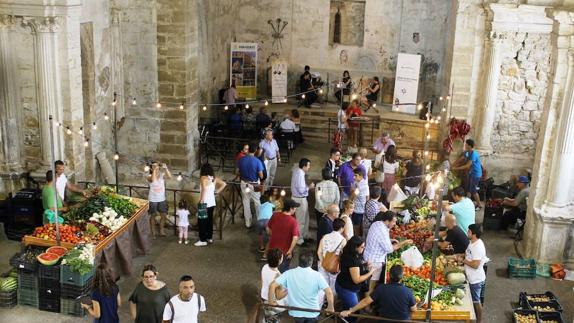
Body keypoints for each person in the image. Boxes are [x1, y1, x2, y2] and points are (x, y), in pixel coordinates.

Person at [268, 252, 335, 323]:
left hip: (296, 313)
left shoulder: (289, 273)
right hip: (312, 312)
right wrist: (330, 307)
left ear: (299, 261)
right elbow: (329, 292)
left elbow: (272, 285)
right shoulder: (317, 275)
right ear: (311, 263)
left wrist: (271, 301)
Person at [341, 265, 416, 322]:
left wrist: (350, 310)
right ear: (401, 278)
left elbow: (365, 302)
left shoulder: (381, 288)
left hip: (384, 321)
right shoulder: (408, 291)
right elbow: (414, 309)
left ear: (389, 276)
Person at [363, 211, 412, 295]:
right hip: (375, 261)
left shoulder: (377, 224)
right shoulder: (382, 230)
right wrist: (404, 242)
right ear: (387, 221)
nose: (395, 223)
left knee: (368, 281)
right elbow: (390, 249)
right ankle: (367, 304)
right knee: (371, 285)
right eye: (393, 221)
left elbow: (378, 239)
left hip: (369, 256)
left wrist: (390, 240)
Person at [335, 236, 375, 323]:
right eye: (362, 247)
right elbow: (356, 279)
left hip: (342, 283)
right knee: (353, 312)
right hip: (347, 289)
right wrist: (370, 272)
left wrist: (364, 265)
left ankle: (343, 315)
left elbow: (354, 267)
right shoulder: (353, 259)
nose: (363, 248)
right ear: (355, 247)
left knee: (348, 306)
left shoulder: (348, 253)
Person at [460, 224, 488, 323]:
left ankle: (479, 321)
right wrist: (460, 256)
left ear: (473, 234)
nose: (467, 233)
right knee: (474, 301)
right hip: (471, 277)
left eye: (469, 232)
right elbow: (468, 254)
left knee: (476, 302)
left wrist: (464, 261)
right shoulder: (472, 242)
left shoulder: (478, 246)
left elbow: (475, 264)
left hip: (476, 279)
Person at [196, 163, 227, 246]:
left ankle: (202, 240)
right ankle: (209, 238)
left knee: (202, 222)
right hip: (212, 203)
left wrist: (201, 201)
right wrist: (216, 192)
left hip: (204, 203)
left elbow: (204, 190)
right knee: (209, 221)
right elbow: (224, 184)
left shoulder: (203, 178)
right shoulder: (214, 178)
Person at [267, 199, 300, 272]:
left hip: (272, 249)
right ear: (290, 208)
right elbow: (295, 237)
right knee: (283, 271)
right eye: (294, 208)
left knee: (272, 269)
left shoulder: (275, 215)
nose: (295, 209)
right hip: (284, 252)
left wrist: (273, 236)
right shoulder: (293, 221)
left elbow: (268, 228)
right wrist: (290, 250)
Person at [317, 218, 346, 298]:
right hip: (335, 267)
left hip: (323, 265)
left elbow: (319, 252)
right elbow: (343, 255)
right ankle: (330, 306)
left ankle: (320, 305)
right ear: (341, 228)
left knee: (322, 288)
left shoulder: (325, 237)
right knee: (333, 288)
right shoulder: (343, 240)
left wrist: (323, 262)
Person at [237, 144, 265, 228]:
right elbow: (261, 176)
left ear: (248, 150)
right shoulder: (257, 161)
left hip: (244, 183)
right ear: (256, 151)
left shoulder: (241, 160)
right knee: (257, 202)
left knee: (246, 201)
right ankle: (260, 220)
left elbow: (237, 171)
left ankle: (248, 222)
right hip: (254, 185)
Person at [452, 139, 482, 209]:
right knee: (469, 189)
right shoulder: (468, 152)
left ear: (469, 146)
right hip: (471, 173)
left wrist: (456, 168)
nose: (465, 145)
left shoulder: (474, 154)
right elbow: (461, 158)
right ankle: (466, 203)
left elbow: (467, 166)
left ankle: (479, 205)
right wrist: (453, 164)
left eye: (466, 144)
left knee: (473, 190)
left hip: (476, 174)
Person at [291, 158, 315, 245]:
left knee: (306, 218)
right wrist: (310, 187)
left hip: (300, 198)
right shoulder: (300, 174)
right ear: (304, 166)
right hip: (299, 199)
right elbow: (301, 190)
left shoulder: (297, 170)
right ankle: (299, 240)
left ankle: (305, 236)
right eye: (308, 165)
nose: (309, 167)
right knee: (300, 221)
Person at [147, 161, 172, 239]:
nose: (157, 167)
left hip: (162, 199)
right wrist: (154, 170)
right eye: (154, 166)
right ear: (151, 168)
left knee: (163, 215)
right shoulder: (148, 175)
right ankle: (153, 233)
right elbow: (153, 180)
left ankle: (161, 231)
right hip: (153, 199)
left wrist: (166, 168)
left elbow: (170, 177)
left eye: (157, 166)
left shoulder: (162, 175)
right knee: (153, 216)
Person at [260, 249, 287, 318]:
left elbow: (263, 281)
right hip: (271, 301)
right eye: (281, 257)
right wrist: (288, 290)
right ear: (279, 260)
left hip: (263, 296)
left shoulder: (265, 266)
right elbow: (278, 296)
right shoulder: (278, 276)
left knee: (267, 316)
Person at [314, 167, 341, 233]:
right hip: (332, 210)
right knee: (331, 226)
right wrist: (334, 208)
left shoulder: (319, 185)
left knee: (320, 226)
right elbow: (337, 198)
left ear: (322, 175)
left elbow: (318, 197)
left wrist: (323, 208)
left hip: (321, 210)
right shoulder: (334, 185)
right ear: (331, 175)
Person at [350, 168, 369, 237]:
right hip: (360, 208)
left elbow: (352, 195)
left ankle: (357, 240)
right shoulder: (357, 182)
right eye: (353, 175)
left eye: (355, 175)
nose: (353, 177)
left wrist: (352, 190)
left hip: (358, 210)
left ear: (361, 176)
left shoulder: (362, 186)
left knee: (356, 227)